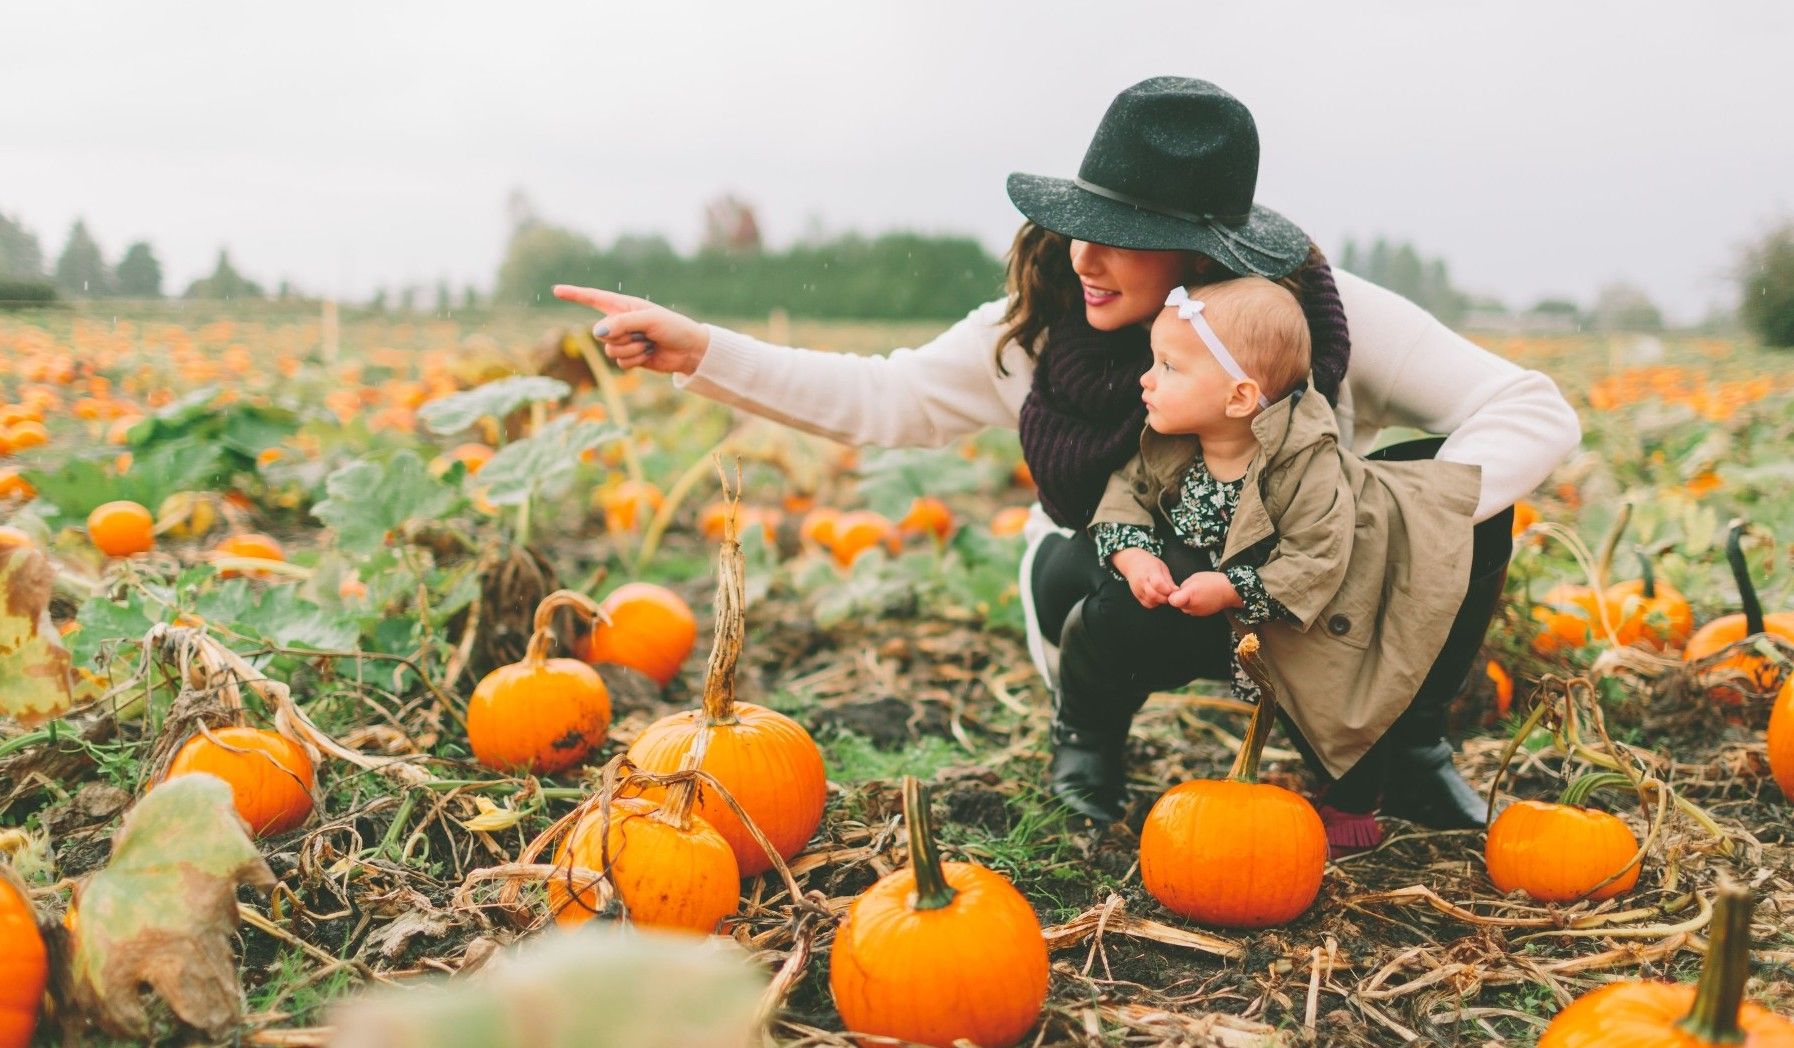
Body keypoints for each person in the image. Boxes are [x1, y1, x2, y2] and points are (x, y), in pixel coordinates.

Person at [552, 76, 1581, 845]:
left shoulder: (1310, 317)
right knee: (1085, 558)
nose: (1084, 254)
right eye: (1085, 223)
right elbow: (888, 396)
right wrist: (703, 349)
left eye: (1123, 235)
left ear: (1206, 249)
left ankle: (1407, 750)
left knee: (1456, 496)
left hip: (1301, 601)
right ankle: (1088, 743)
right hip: (1130, 596)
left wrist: (1369, 521)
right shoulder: (1043, 334)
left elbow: (1529, 409)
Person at [1082, 275, 1482, 854]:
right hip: (1235, 620)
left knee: (1337, 712)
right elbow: (1127, 492)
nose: (1146, 379)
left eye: (1168, 366)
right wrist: (1133, 551)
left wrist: (1234, 587)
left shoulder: (1306, 464)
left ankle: (1354, 801)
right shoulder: (1174, 440)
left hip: (1311, 616)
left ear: (1239, 398)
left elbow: (1319, 557)